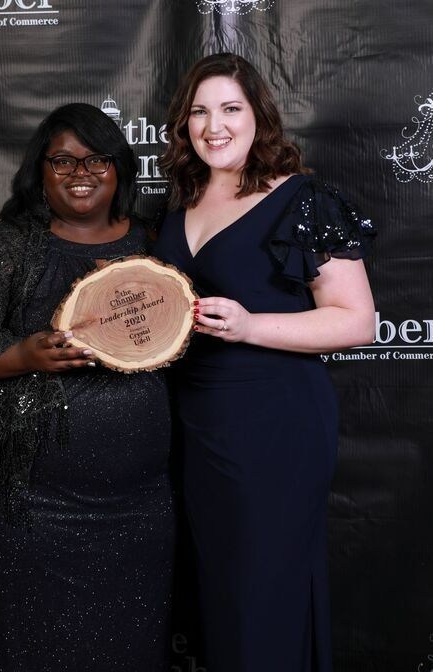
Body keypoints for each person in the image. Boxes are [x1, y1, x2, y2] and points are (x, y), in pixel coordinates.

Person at [0, 103, 174, 672]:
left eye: (96, 160)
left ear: (120, 170)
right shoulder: (8, 248)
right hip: (25, 503)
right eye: (62, 160)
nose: (79, 173)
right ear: (40, 170)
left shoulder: (152, 246)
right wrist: (21, 353)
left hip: (137, 506)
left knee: (126, 645)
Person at [154, 53, 376, 672]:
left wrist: (252, 326)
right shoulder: (182, 200)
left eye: (231, 109)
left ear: (260, 118)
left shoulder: (304, 199)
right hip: (196, 422)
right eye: (199, 112)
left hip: (273, 421)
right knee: (220, 594)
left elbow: (358, 320)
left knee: (262, 593)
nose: (213, 126)